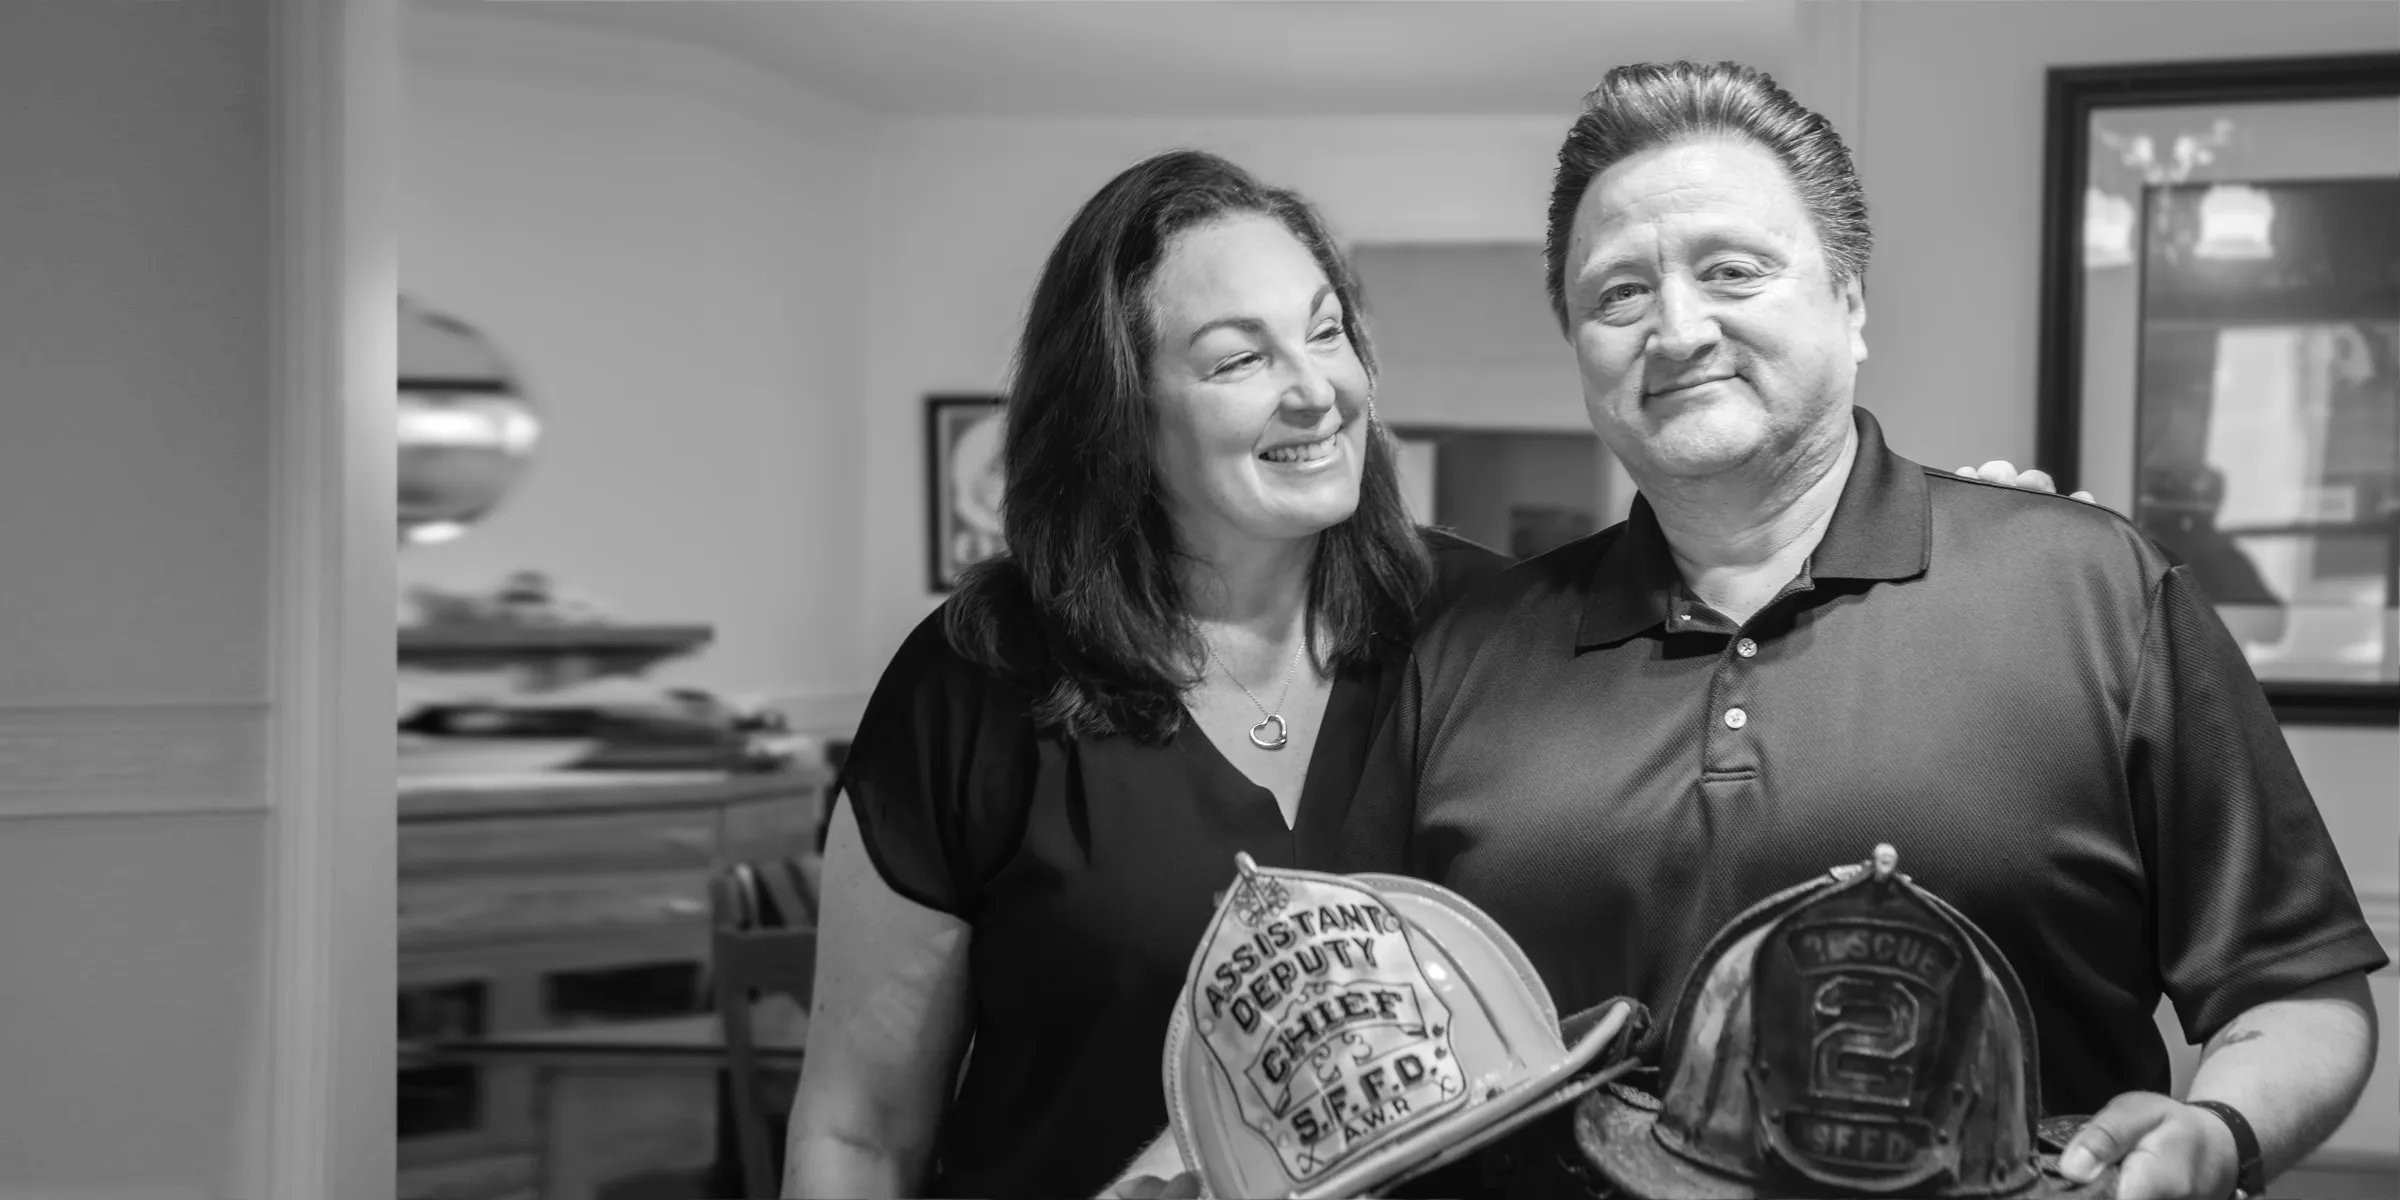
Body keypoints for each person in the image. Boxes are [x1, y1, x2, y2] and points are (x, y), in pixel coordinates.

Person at [784, 146, 2075, 1200]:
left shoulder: (1496, 622)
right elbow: (857, 1132)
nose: (1317, 391)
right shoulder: (978, 678)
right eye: (1239, 360)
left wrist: (1971, 560)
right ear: (1122, 410)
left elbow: (1749, 677)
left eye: (1328, 333)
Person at [1337, 62, 2385, 1200]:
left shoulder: (2091, 589)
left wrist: (2220, 1132)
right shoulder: (1467, 653)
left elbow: (2297, 988)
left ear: (1850, 301)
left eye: (1732, 270)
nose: (1676, 328)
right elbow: (1369, 1025)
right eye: (1618, 295)